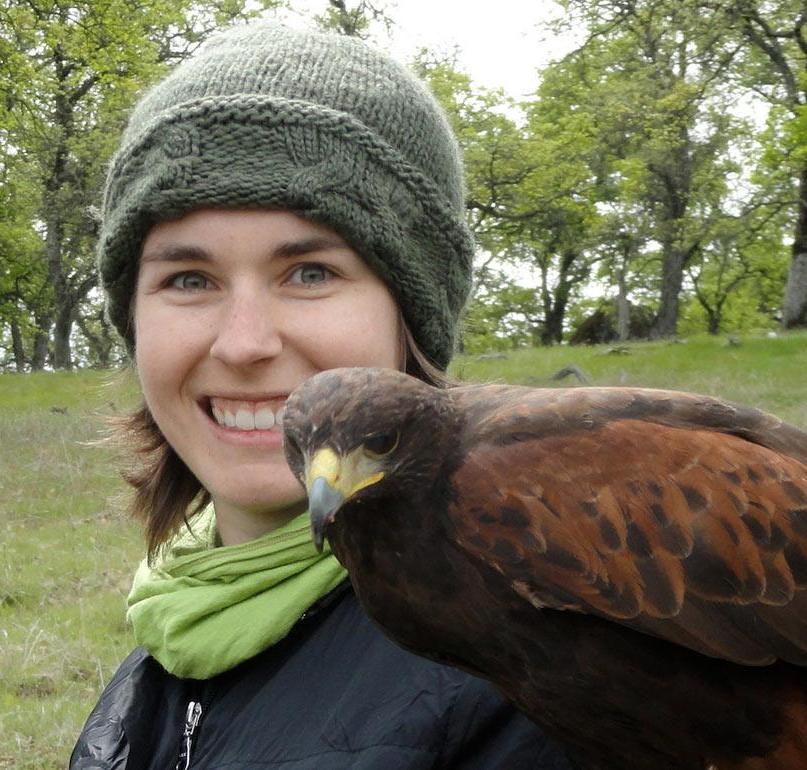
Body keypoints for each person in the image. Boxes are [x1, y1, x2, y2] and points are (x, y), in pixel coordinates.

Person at [67, 22, 577, 770]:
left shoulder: (531, 673)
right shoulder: (182, 617)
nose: (243, 343)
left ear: (412, 318)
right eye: (189, 279)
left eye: (309, 272)